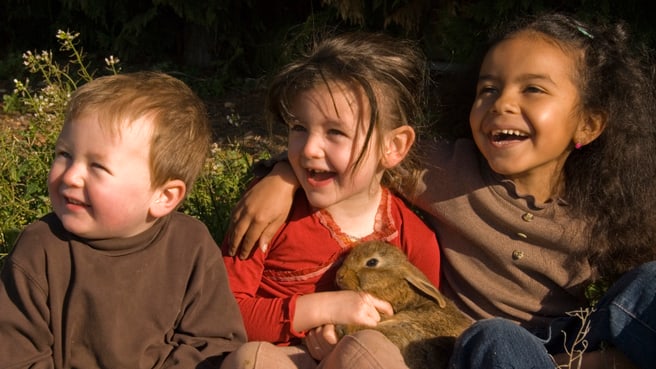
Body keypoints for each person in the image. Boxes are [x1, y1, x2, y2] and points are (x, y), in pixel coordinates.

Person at [224, 13, 656, 369]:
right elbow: (364, 152)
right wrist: (280, 175)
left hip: (572, 338)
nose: (502, 103)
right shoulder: (444, 170)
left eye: (533, 89)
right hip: (480, 349)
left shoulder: (609, 206)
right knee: (498, 338)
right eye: (488, 88)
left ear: (588, 124)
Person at [219, 32, 442, 369]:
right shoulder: (266, 214)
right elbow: (224, 313)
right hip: (281, 358)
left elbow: (427, 325)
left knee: (369, 353)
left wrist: (348, 334)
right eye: (299, 128)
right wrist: (324, 309)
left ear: (393, 147)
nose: (309, 149)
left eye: (335, 133)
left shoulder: (414, 238)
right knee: (252, 360)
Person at [0, 71, 248, 368]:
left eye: (97, 166)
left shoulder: (190, 246)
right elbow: (16, 354)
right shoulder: (40, 248)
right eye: (64, 154)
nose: (71, 175)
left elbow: (214, 343)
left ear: (164, 196)